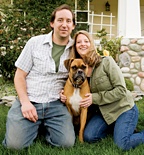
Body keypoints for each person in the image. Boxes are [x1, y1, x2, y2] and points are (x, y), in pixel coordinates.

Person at [2, 4, 76, 150]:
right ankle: (31, 124)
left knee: (66, 144)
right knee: (14, 146)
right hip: (31, 100)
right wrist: (25, 102)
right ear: (52, 23)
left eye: (68, 21)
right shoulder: (34, 43)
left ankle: (42, 126)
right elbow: (19, 75)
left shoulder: (75, 48)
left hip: (56, 104)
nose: (64, 24)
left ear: (73, 26)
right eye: (60, 20)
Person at [60, 30, 144, 151]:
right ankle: (116, 128)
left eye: (86, 41)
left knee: (122, 144)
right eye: (79, 42)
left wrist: (94, 98)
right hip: (104, 112)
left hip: (123, 108)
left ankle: (127, 129)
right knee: (89, 136)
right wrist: (62, 94)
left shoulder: (106, 62)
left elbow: (121, 90)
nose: (82, 44)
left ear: (91, 43)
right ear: (75, 46)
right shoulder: (77, 66)